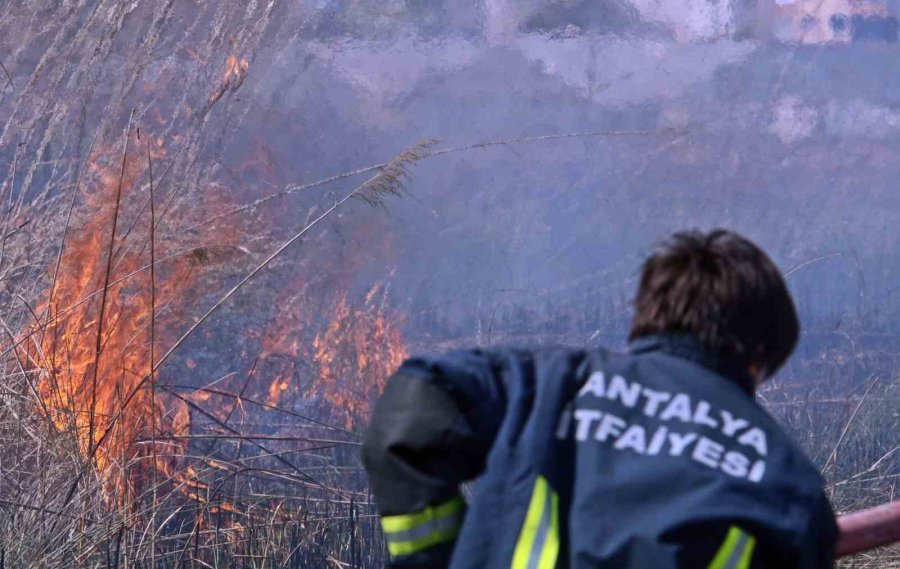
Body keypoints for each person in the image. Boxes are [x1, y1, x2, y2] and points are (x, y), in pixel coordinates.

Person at [362, 229, 838, 569]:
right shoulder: (786, 481)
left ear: (647, 317)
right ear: (759, 354)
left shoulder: (546, 382)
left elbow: (412, 412)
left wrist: (435, 556)